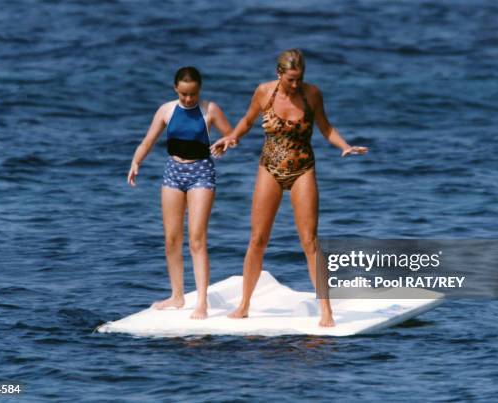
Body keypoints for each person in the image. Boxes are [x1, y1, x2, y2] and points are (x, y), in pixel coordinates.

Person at [211, 49, 368, 327]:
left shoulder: (312, 95)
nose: (295, 85)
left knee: (310, 241)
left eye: (300, 79)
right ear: (279, 74)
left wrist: (345, 146)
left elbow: (325, 127)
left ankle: (326, 312)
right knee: (258, 239)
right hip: (269, 168)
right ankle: (244, 305)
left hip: (303, 169)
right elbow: (247, 120)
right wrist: (232, 137)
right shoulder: (264, 92)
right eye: (291, 80)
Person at [128, 66, 232, 319]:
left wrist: (225, 142)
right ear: (176, 89)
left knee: (197, 239)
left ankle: (202, 302)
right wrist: (136, 162)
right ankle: (177, 296)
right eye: (184, 94)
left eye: (193, 94)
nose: (188, 99)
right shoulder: (166, 110)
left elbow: (231, 135)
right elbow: (148, 140)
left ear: (199, 90)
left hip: (201, 172)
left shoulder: (210, 110)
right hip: (173, 172)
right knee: (172, 238)